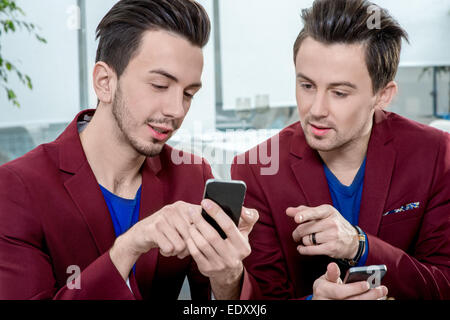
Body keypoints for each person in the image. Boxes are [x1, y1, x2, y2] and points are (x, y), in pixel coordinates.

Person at [0, 0, 259, 300]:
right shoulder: (17, 188)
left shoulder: (192, 176)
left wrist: (228, 277)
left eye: (189, 94)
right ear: (104, 82)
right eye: (160, 85)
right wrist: (128, 248)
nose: (177, 110)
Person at [232, 0, 450, 300]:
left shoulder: (434, 153)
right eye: (307, 86)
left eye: (339, 93)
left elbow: (444, 284)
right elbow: (258, 300)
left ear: (383, 95)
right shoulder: (256, 169)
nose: (316, 110)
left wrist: (360, 246)